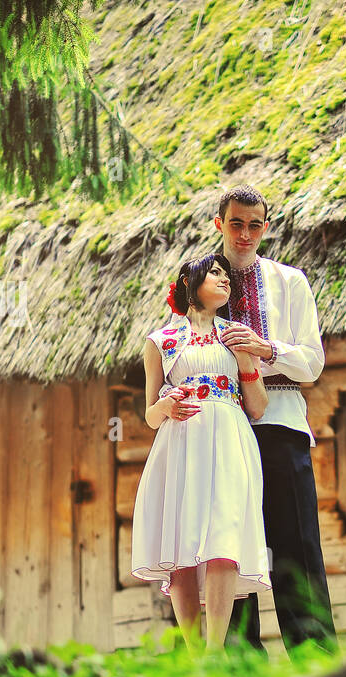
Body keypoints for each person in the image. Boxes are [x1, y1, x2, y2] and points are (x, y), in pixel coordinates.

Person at [208, 184, 339, 657]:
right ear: (219, 223)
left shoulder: (291, 282)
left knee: (297, 546)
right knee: (227, 548)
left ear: (266, 228)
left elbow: (312, 364)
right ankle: (240, 668)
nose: (245, 234)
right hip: (220, 430)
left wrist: (267, 349)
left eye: (255, 224)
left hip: (282, 424)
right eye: (236, 223)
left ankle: (317, 663)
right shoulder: (195, 284)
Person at [129, 252, 272, 655]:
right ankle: (194, 654)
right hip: (181, 442)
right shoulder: (161, 342)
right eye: (214, 273)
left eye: (226, 274)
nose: (224, 279)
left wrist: (245, 359)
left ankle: (215, 650)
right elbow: (150, 416)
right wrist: (166, 406)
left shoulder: (236, 335)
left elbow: (258, 406)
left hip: (229, 438)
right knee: (183, 542)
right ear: (190, 284)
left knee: (225, 537)